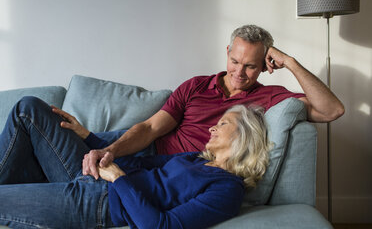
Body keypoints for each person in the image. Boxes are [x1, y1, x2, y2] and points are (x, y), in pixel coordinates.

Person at [77, 24, 344, 180]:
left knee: (69, 170)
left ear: (265, 65)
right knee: (37, 116)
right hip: (137, 146)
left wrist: (291, 62)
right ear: (227, 52)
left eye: (250, 66)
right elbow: (149, 129)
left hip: (170, 172)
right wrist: (111, 149)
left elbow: (332, 110)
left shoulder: (270, 96)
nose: (239, 72)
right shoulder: (197, 85)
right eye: (235, 61)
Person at [0, 97, 271, 228]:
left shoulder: (228, 190)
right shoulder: (196, 159)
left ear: (243, 138)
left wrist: (118, 179)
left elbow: (159, 226)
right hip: (94, 173)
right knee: (29, 109)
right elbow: (139, 162)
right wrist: (89, 138)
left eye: (223, 124)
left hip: (98, 202)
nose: (212, 129)